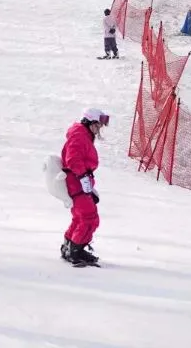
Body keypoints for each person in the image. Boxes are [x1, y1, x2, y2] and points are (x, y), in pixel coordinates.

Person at [60, 108, 109, 265]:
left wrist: (87, 184)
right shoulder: (80, 136)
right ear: (89, 122)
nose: (99, 129)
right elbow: (73, 159)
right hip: (76, 181)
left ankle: (69, 246)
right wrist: (82, 177)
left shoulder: (83, 135)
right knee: (89, 217)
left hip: (78, 181)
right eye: (98, 125)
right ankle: (76, 251)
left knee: (80, 216)